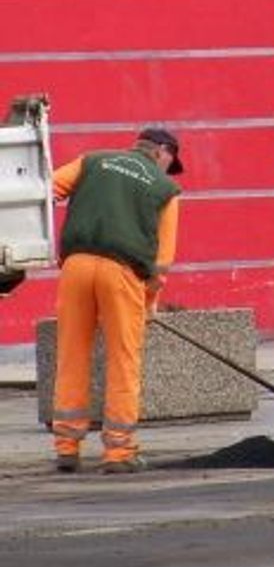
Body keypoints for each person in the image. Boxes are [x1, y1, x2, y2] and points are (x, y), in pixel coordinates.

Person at [51, 128, 184, 474]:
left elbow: (48, 188)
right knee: (123, 359)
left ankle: (66, 447)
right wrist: (149, 301)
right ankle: (119, 453)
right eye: (173, 162)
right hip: (122, 273)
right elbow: (161, 263)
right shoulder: (166, 189)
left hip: (76, 266)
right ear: (163, 152)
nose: (171, 170)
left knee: (71, 353)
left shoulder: (92, 160)